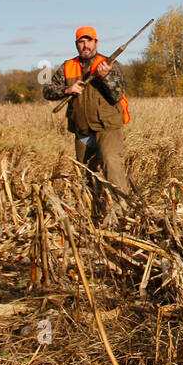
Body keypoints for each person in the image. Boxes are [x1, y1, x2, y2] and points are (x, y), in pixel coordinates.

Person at [43, 26, 130, 223]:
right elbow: (48, 91)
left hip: (107, 126)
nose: (85, 45)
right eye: (81, 42)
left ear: (96, 43)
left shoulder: (110, 64)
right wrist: (67, 89)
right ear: (76, 44)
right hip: (82, 128)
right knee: (86, 173)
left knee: (110, 162)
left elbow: (118, 95)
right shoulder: (68, 67)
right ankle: (94, 215)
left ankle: (122, 213)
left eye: (89, 41)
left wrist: (106, 76)